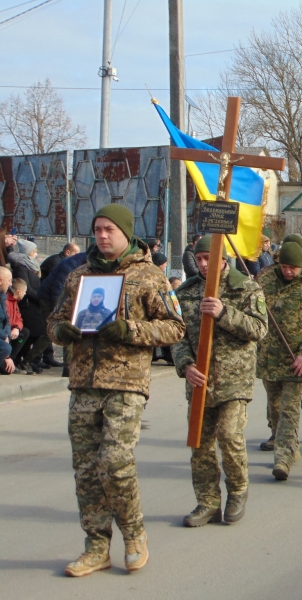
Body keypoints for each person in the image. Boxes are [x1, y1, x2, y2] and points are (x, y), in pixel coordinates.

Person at [47, 204, 185, 577]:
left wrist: (132, 331)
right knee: (86, 470)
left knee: (115, 462)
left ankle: (134, 534)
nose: (102, 236)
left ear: (126, 232)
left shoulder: (148, 277)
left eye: (109, 229)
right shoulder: (80, 277)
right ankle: (96, 546)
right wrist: (62, 333)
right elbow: (55, 320)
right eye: (97, 230)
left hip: (126, 384)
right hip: (83, 383)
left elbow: (175, 328)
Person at [172, 235, 267, 526]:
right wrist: (185, 365)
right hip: (200, 381)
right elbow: (178, 335)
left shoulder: (245, 288)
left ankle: (237, 491)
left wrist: (224, 313)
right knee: (199, 444)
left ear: (222, 259)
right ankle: (207, 501)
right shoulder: (187, 292)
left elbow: (259, 329)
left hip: (233, 380)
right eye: (199, 259)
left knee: (229, 435)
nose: (203, 265)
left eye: (208, 259)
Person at [255, 242, 302, 480]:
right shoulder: (264, 283)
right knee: (275, 408)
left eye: (294, 268)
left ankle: (283, 457)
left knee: (289, 408)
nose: (289, 272)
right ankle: (289, 444)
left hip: (298, 361)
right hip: (270, 359)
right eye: (285, 267)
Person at [8, 239, 55, 373]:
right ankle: (20, 360)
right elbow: (25, 287)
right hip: (29, 306)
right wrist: (39, 298)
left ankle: (28, 361)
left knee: (37, 333)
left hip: (35, 306)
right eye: (34, 252)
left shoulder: (31, 266)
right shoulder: (21, 267)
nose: (36, 254)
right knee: (32, 333)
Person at [6, 278, 30, 368]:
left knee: (24, 332)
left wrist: (16, 328)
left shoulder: (14, 302)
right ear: (19, 292)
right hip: (6, 332)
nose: (25, 293)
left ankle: (12, 359)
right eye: (25, 291)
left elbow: (18, 318)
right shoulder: (5, 301)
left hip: (12, 330)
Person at [0, 266, 17, 375]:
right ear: (1, 280)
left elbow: (6, 319)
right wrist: (4, 336)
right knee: (5, 348)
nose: (11, 284)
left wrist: (7, 335)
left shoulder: (3, 296)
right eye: (9, 280)